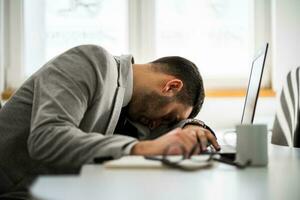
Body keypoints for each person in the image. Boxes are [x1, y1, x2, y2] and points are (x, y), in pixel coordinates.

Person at [0, 45, 220, 199]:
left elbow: (167, 134)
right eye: (168, 118)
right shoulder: (90, 61)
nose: (157, 126)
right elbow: (46, 138)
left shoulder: (130, 110)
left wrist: (193, 126)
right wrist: (140, 148)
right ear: (171, 87)